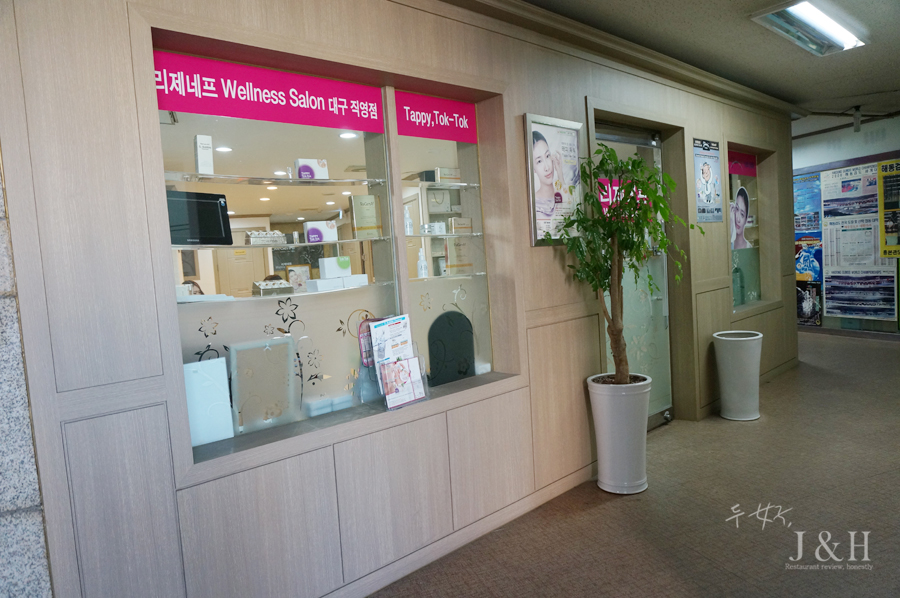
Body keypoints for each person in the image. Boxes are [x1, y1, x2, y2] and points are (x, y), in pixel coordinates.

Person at [532, 131, 564, 219]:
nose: (547, 167)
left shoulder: (560, 194)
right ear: (533, 168)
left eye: (547, 156)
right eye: (539, 161)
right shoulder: (534, 203)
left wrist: (560, 174)